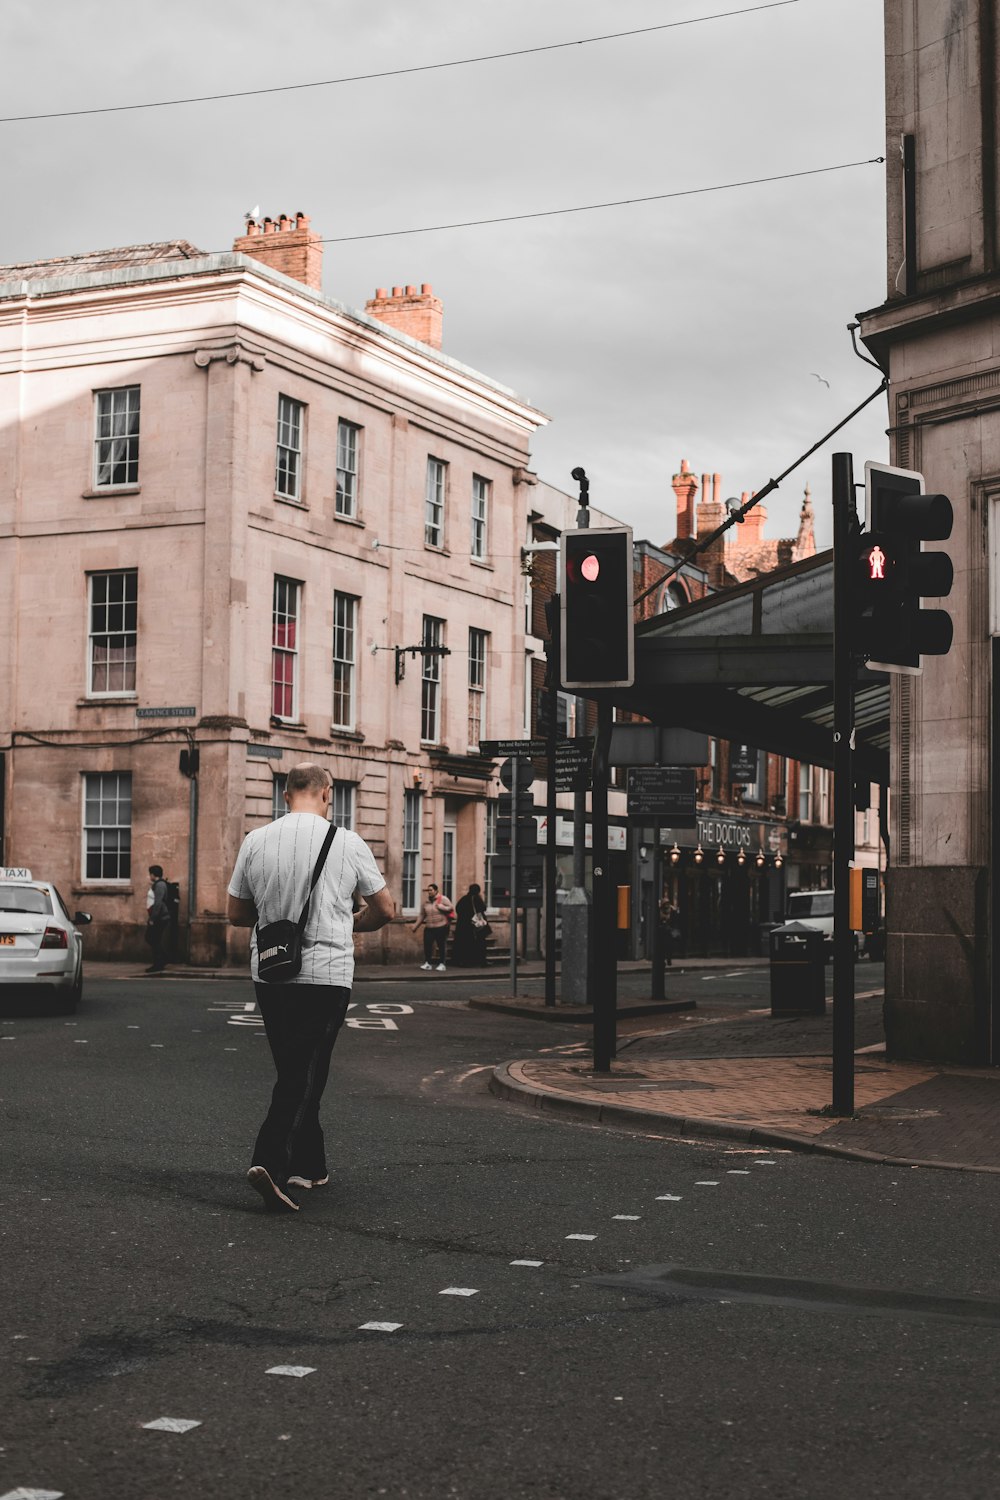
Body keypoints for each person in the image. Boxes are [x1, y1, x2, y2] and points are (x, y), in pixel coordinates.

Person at [227, 762, 394, 1214]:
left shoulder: (255, 841)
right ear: (328, 794)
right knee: (304, 1072)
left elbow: (237, 914)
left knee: (296, 1068)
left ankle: (311, 1166)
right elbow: (386, 909)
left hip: (271, 972)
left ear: (285, 795)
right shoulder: (347, 842)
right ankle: (269, 1163)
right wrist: (349, 922)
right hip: (326, 975)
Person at [411, 883, 454, 971]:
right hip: (429, 927)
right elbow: (422, 915)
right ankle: (428, 963)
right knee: (427, 945)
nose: (429, 892)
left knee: (441, 945)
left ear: (436, 891)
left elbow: (451, 908)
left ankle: (442, 964)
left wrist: (442, 907)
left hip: (441, 926)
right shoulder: (426, 902)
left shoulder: (443, 899)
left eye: (431, 890)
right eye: (428, 890)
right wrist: (415, 926)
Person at [452, 882, 490, 967]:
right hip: (475, 925)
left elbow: (458, 909)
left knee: (464, 944)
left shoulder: (463, 899)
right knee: (480, 943)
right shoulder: (477, 898)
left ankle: (463, 961)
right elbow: (483, 908)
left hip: (463, 926)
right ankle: (480, 961)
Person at [145, 865, 171, 973]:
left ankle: (159, 962)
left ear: (153, 874)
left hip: (160, 918)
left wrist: (153, 918)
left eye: (150, 874)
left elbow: (158, 903)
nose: (149, 876)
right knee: (154, 939)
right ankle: (161, 960)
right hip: (160, 917)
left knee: (152, 938)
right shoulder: (158, 884)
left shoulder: (160, 885)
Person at [659, 893, 680, 967]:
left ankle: (668, 959)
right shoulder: (661, 910)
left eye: (667, 903)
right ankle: (664, 959)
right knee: (663, 947)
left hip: (669, 932)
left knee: (669, 947)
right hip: (663, 932)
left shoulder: (672, 910)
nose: (666, 905)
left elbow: (674, 921)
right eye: (665, 903)